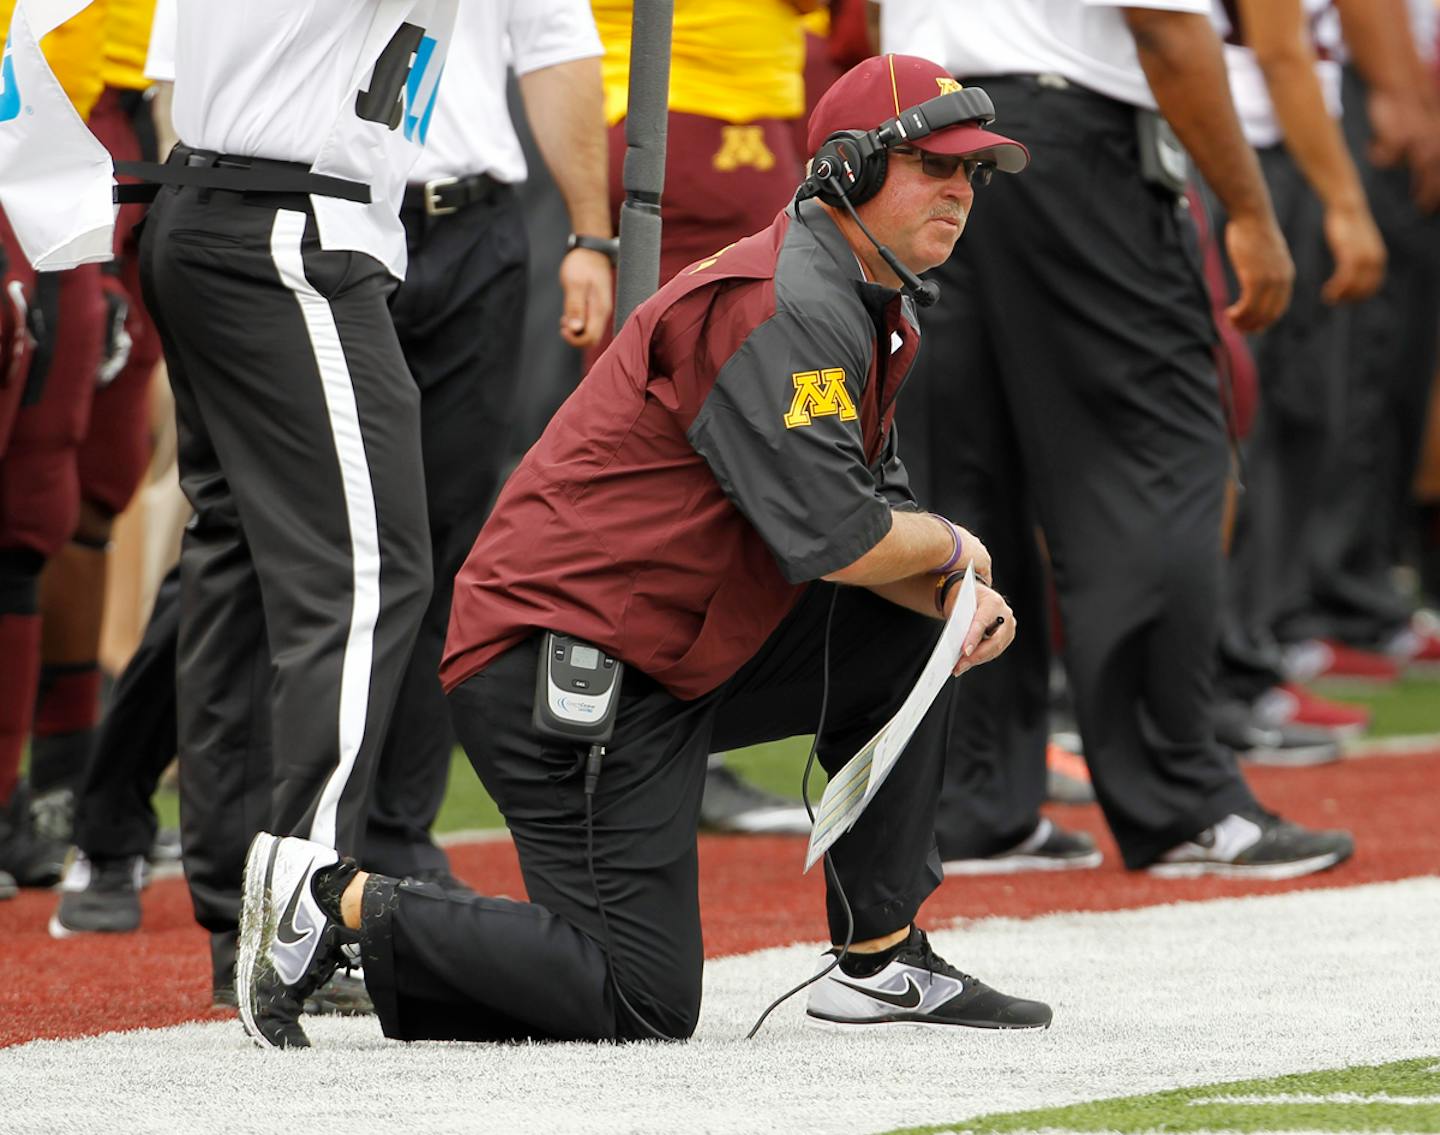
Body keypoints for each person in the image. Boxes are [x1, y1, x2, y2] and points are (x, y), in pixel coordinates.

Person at [236, 54, 1050, 1050]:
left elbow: (868, 518)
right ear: (845, 169)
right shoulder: (783, 300)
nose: (961, 193)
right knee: (638, 998)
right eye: (933, 166)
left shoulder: (866, 297)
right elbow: (839, 538)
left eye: (973, 175)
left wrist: (948, 586)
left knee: (925, 617)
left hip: (666, 643)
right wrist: (962, 548)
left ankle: (881, 959)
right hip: (561, 662)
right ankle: (332, 899)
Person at [885, 0, 1356, 878]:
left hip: (919, 140)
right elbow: (1167, 23)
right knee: (1155, 456)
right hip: (1072, 137)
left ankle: (975, 799)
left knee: (966, 473)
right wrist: (1251, 212)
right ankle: (1180, 798)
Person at [135, 0, 455, 981]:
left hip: (224, 211)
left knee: (236, 568)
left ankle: (244, 907)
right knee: (367, 576)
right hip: (285, 227)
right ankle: (296, 909)